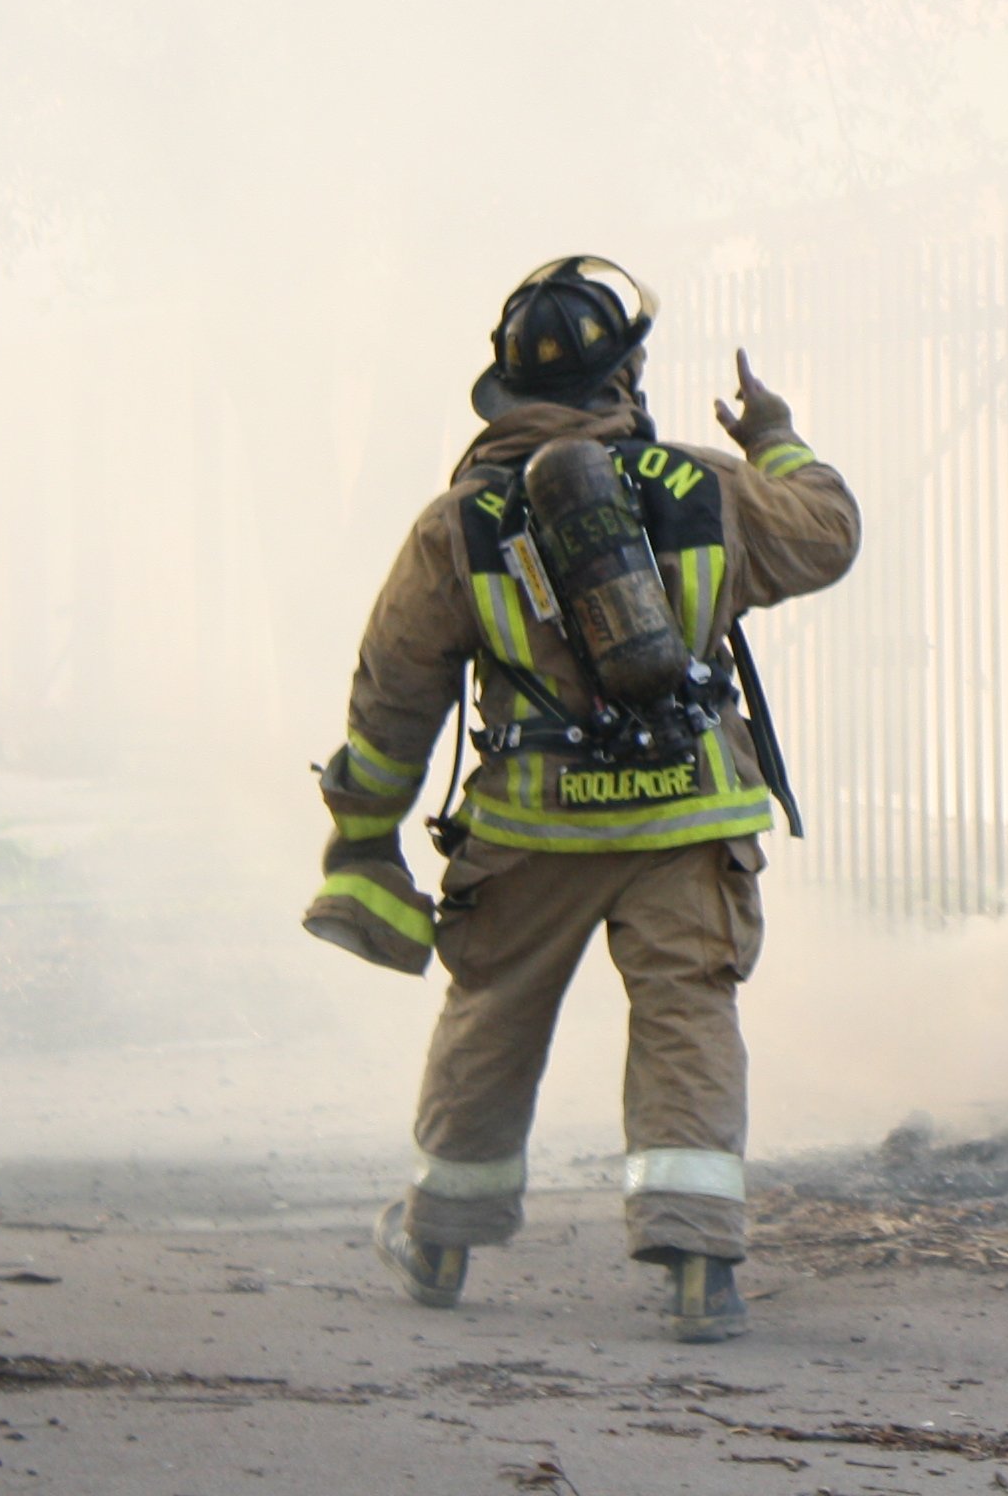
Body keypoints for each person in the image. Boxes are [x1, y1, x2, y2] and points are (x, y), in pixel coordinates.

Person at [300, 256, 858, 1344]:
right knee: (687, 1012)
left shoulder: (457, 526)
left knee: (493, 1014)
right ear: (626, 378)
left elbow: (394, 699)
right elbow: (827, 536)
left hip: (531, 829)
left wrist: (362, 842)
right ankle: (700, 1264)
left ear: (504, 390)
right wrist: (774, 438)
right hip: (686, 823)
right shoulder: (709, 489)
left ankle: (442, 1241)